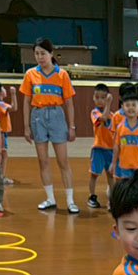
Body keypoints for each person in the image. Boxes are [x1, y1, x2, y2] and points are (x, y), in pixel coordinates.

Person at [20, 37, 78, 214]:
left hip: (56, 115)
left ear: (51, 54)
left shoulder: (62, 74)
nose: (40, 57)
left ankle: (70, 201)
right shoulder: (30, 74)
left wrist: (72, 127)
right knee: (43, 160)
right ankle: (50, 198)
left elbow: (69, 103)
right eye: (37, 54)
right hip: (37, 116)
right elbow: (26, 102)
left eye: (43, 53)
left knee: (63, 161)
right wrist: (26, 127)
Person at [110, 90, 138, 180]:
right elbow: (116, 146)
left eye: (134, 105)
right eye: (127, 105)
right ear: (122, 107)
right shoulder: (120, 127)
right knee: (126, 186)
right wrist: (113, 163)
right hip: (125, 165)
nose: (131, 108)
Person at [88, 82, 114, 209]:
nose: (100, 100)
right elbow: (103, 118)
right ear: (93, 98)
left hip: (110, 149)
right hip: (98, 148)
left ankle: (112, 199)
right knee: (94, 174)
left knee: (110, 175)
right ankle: (92, 196)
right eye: (97, 97)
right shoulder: (94, 112)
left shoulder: (113, 115)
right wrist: (108, 103)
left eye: (103, 98)